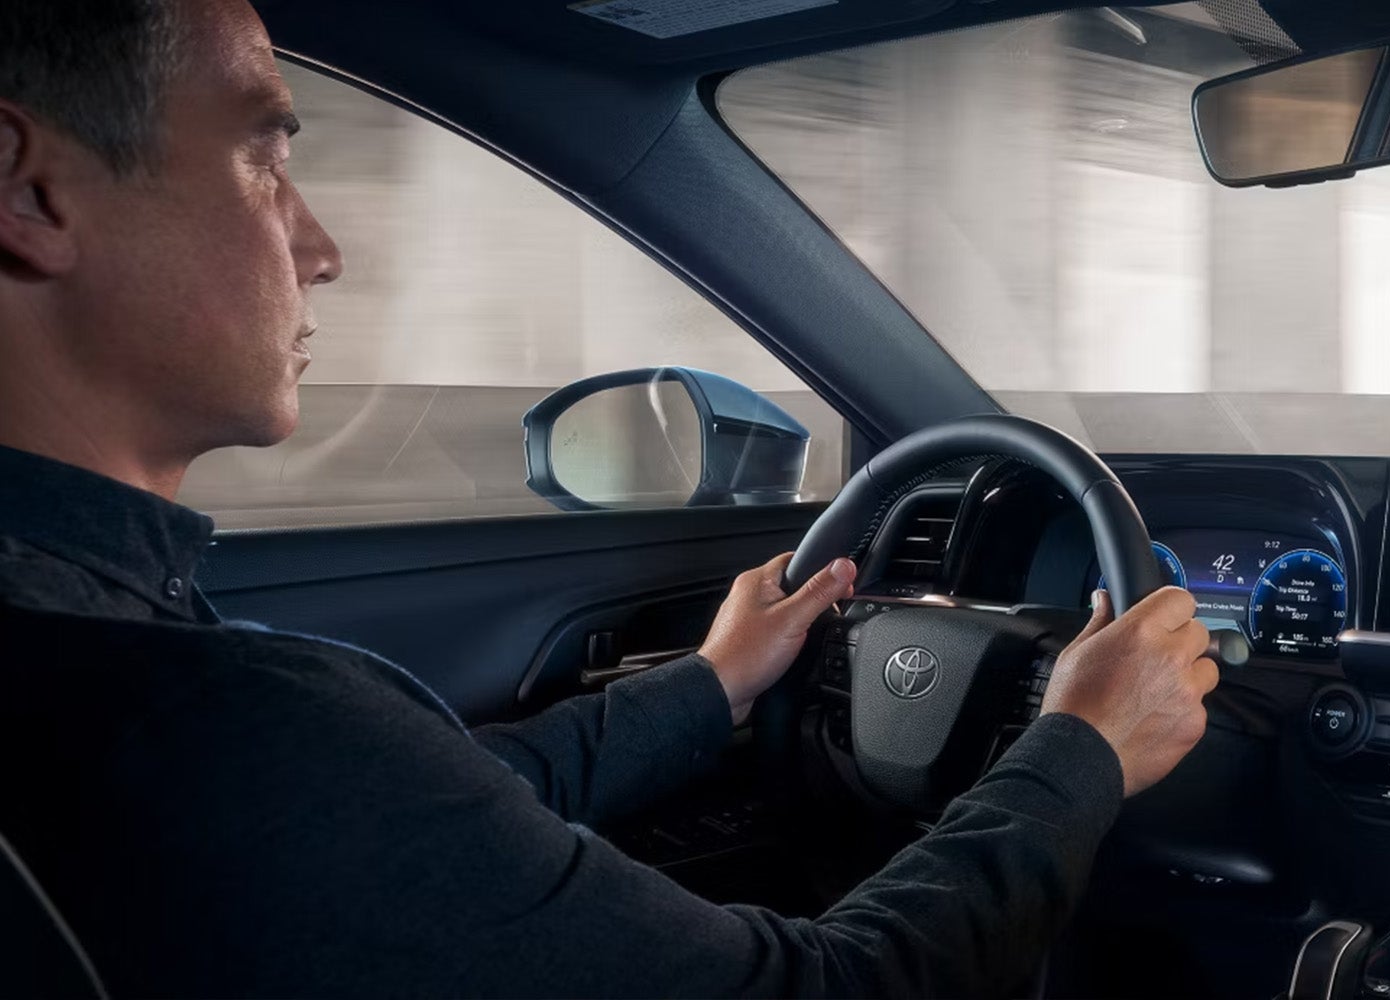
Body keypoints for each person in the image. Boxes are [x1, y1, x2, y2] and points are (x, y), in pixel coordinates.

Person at [0, 0, 1220, 995]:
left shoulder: (108, 665)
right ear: (27, 189)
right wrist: (1083, 745)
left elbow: (431, 819)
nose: (321, 247)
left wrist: (713, 681)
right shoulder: (221, 725)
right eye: (264, 155)